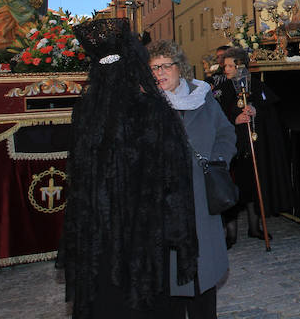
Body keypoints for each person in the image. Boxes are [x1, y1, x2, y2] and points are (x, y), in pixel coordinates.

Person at [59, 19, 200, 319]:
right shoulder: (152, 109)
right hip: (144, 237)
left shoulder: (84, 111)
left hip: (99, 235)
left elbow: (77, 175)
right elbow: (174, 178)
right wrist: (179, 233)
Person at [147, 39, 237, 318]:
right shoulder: (146, 106)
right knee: (170, 284)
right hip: (165, 206)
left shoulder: (203, 98)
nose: (158, 73)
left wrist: (217, 161)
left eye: (164, 66)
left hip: (201, 200)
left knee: (203, 279)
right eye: (152, 69)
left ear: (180, 68)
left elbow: (226, 134)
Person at [216, 48, 292, 248]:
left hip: (254, 146)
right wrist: (234, 119)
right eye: (226, 66)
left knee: (252, 186)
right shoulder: (221, 89)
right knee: (233, 189)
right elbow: (216, 115)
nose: (227, 69)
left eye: (231, 65)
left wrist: (255, 110)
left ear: (241, 66)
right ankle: (230, 232)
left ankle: (254, 225)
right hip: (232, 148)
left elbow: (269, 109)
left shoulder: (256, 86)